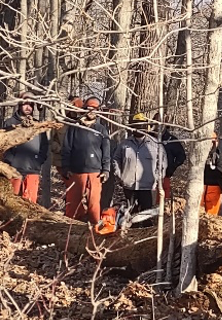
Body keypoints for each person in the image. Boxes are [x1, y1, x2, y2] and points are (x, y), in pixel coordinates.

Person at [61, 96, 110, 224]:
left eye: (95, 109)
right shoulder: (74, 127)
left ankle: (94, 229)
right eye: (89, 109)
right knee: (74, 204)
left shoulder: (101, 130)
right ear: (84, 110)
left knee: (94, 204)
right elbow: (66, 149)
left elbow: (106, 151)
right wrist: (65, 168)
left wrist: (106, 169)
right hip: (77, 172)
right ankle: (70, 228)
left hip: (95, 173)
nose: (92, 112)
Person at [113, 112, 166, 226]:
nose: (139, 129)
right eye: (136, 126)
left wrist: (157, 178)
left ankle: (146, 235)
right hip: (128, 184)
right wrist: (119, 175)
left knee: (146, 214)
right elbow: (116, 159)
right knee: (129, 214)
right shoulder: (124, 144)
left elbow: (162, 164)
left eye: (141, 125)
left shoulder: (155, 144)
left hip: (147, 186)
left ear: (146, 126)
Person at [2, 92, 48, 203]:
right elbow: (3, 145)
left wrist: (38, 161)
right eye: (25, 104)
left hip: (32, 170)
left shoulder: (37, 125)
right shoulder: (10, 123)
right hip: (13, 170)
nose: (28, 107)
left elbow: (44, 146)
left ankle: (27, 221)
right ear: (20, 104)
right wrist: (11, 160)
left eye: (31, 104)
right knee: (12, 203)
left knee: (30, 203)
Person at [152, 113, 186, 200]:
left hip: (165, 177)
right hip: (148, 177)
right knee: (149, 204)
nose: (158, 124)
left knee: (163, 202)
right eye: (156, 122)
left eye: (161, 122)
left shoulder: (171, 140)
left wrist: (171, 168)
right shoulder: (148, 138)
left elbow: (181, 156)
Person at [52, 96, 84, 191]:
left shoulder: (82, 123)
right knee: (71, 185)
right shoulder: (59, 121)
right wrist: (59, 148)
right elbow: (50, 140)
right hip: (61, 160)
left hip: (77, 161)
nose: (75, 112)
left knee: (76, 187)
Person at [201, 132, 222, 215]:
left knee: (211, 217)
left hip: (214, 188)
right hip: (200, 186)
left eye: (212, 142)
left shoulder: (218, 156)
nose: (210, 145)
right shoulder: (200, 155)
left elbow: (220, 173)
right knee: (198, 214)